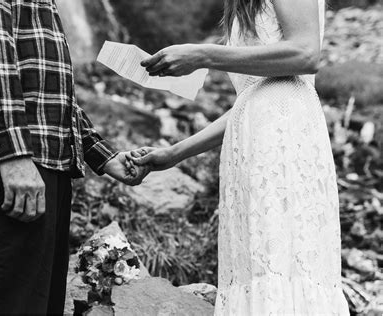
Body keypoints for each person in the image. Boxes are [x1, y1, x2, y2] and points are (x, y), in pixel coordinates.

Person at [129, 0, 351, 314]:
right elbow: (250, 99)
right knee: (259, 265)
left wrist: (203, 55)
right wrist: (174, 154)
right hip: (250, 142)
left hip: (284, 140)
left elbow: (306, 53)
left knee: (285, 262)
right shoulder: (241, 5)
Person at [0, 0, 147, 314]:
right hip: (6, 160)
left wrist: (103, 156)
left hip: (36, 158)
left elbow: (46, 87)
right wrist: (13, 154)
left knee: (33, 305)